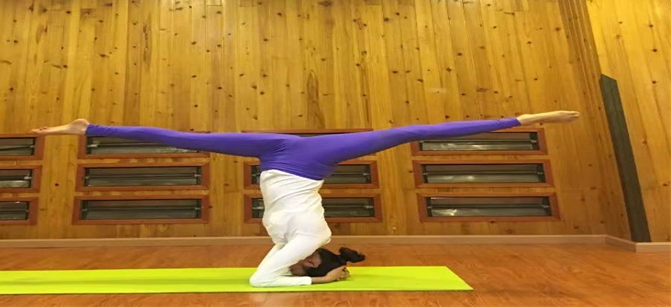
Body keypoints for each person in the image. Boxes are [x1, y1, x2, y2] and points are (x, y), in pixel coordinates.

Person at [34, 110, 579, 287]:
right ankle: (524, 117)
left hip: (282, 153)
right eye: (308, 265)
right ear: (312, 258)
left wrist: (329, 271)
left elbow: (276, 268)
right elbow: (269, 278)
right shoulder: (309, 238)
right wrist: (323, 279)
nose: (300, 264)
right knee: (412, 132)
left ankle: (90, 128)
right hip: (309, 158)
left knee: (188, 139)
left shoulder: (296, 240)